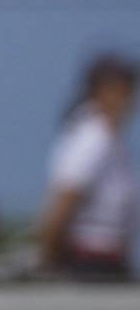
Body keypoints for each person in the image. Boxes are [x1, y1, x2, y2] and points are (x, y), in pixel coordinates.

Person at [40, 53, 136, 280]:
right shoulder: (90, 139)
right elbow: (64, 203)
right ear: (101, 91)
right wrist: (49, 263)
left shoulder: (111, 141)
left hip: (110, 262)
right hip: (89, 263)